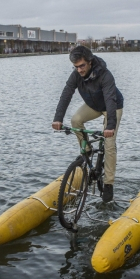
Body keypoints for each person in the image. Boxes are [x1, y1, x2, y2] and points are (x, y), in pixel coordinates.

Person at [52, 45, 124, 203]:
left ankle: (109, 183)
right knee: (76, 120)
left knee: (110, 144)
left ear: (90, 62)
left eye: (82, 66)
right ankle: (87, 149)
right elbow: (66, 94)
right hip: (94, 105)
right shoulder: (76, 75)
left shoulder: (105, 75)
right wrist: (58, 118)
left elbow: (110, 101)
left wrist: (110, 126)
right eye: (76, 67)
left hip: (112, 107)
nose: (79, 70)